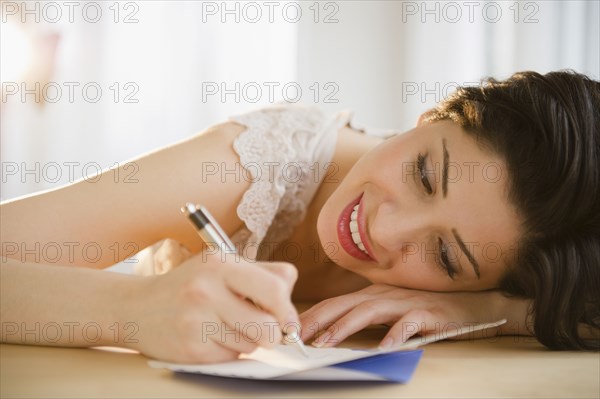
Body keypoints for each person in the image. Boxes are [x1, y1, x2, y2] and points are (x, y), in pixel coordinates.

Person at [1, 70, 598, 364]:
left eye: (445, 256)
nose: (384, 231)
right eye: (422, 174)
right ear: (430, 117)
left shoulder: (495, 288)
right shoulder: (255, 164)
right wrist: (130, 311)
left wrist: (494, 311)